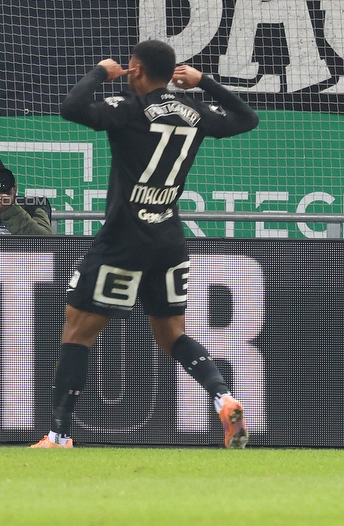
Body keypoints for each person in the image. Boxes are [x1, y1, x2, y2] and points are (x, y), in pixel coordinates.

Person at [31, 40, 259, 450]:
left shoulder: (129, 108)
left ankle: (59, 436)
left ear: (135, 69)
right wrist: (205, 81)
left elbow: (71, 108)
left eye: (129, 67)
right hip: (168, 238)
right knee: (172, 335)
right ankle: (223, 397)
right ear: (172, 73)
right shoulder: (194, 110)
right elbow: (248, 118)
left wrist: (101, 72)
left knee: (77, 332)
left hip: (123, 240)